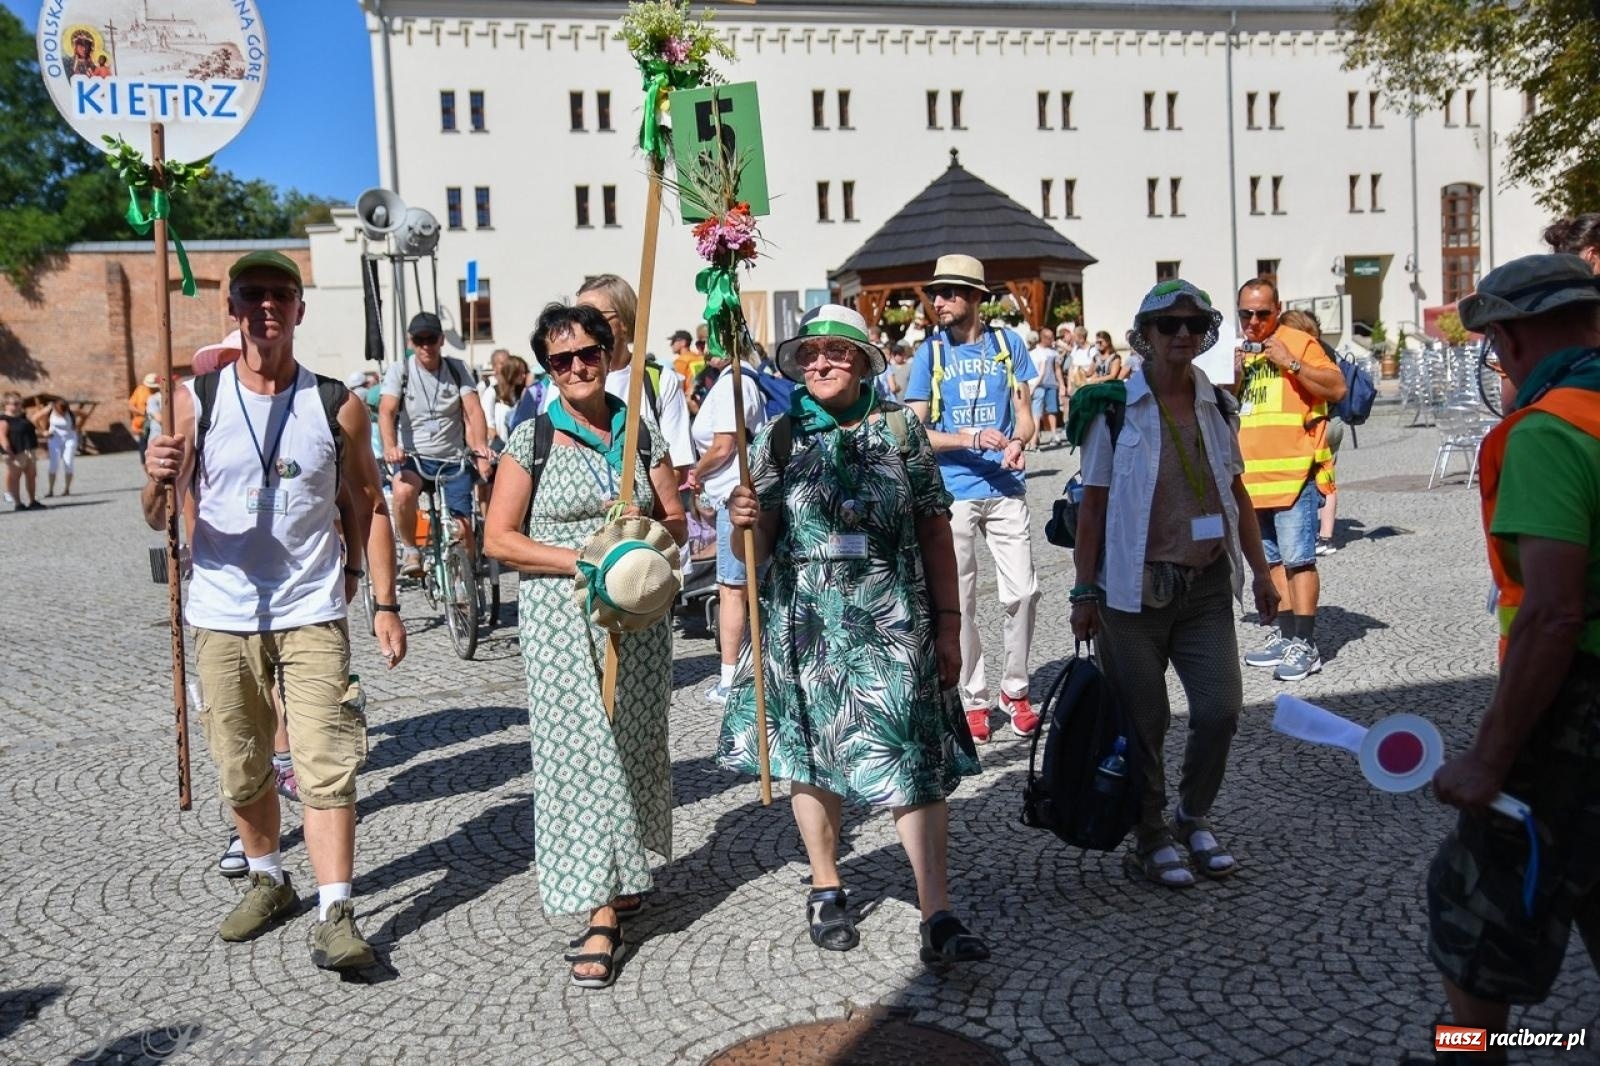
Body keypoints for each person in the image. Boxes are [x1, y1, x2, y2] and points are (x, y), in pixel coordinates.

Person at [141, 249, 407, 970]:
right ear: (232, 309)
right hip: (221, 612)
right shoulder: (196, 399)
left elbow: (370, 503)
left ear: (299, 309)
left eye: (279, 296)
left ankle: (336, 911)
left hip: (312, 607)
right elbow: (155, 515)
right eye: (252, 295)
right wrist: (159, 477)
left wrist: (380, 596)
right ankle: (268, 879)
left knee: (324, 763)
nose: (266, 308)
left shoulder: (336, 401)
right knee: (242, 765)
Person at [718, 304, 989, 966]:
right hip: (804, 626)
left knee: (911, 761)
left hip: (896, 622)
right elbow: (752, 553)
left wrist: (951, 625)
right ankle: (827, 884)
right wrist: (742, 518)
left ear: (865, 360)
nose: (820, 363)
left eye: (835, 352)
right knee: (811, 759)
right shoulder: (781, 438)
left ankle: (937, 912)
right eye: (809, 353)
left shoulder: (900, 429)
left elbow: (933, 528)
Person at [482, 302, 686, 989]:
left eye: (586, 355)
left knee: (629, 743)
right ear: (546, 369)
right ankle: (601, 912)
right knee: (583, 756)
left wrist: (640, 538)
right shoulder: (531, 439)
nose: (574, 368)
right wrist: (581, 555)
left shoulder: (640, 434)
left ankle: (626, 869)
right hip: (561, 620)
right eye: (558, 360)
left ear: (609, 354)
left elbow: (678, 520)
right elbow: (498, 539)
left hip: (637, 619)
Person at [1427, 254, 1600, 1053]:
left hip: (1577, 709)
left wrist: (1488, 760)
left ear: (1512, 339)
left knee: (1472, 905)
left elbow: (1554, 614)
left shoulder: (1549, 432)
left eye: (1494, 350)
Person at [1067, 280, 1279, 887]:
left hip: (1206, 585)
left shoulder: (1217, 403)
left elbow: (1234, 488)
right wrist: (1084, 593)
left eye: (1193, 323)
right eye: (1169, 325)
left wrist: (1261, 571)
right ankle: (1150, 833)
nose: (1182, 334)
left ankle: (1193, 814)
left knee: (1219, 708)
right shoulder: (1112, 408)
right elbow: (1093, 509)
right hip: (1131, 593)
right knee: (1145, 719)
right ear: (1147, 336)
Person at [904, 254, 1040, 742]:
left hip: (1004, 487)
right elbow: (914, 429)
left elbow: (1027, 416)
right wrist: (968, 438)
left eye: (950, 292)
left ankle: (1016, 689)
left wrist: (1019, 442)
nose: (938, 301)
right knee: (958, 600)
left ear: (977, 297)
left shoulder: (1008, 345)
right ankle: (973, 696)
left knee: (1023, 591)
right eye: (936, 293)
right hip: (953, 490)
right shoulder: (929, 355)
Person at [1233, 279, 1347, 682]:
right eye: (1246, 313)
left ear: (1277, 309)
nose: (1254, 321)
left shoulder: (1297, 341)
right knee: (1272, 561)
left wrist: (1291, 362)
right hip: (1252, 479)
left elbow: (1337, 387)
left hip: (1294, 473)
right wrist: (1231, 378)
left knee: (1300, 560)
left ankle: (1306, 642)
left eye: (1263, 313)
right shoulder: (1240, 352)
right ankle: (1284, 635)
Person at [379, 311, 493, 577]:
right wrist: (390, 446)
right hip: (414, 457)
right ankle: (410, 549)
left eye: (431, 339)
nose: (426, 346)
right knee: (402, 491)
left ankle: (465, 582)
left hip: (452, 458)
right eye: (420, 340)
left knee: (464, 527)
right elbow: (386, 410)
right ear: (411, 342)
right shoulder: (401, 370)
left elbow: (474, 411)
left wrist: (481, 449)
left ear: (442, 340)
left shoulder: (457, 368)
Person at [687, 339, 768, 704]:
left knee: (732, 588)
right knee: (742, 587)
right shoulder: (741, 380)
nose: (706, 349)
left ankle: (731, 679)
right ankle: (748, 672)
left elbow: (724, 445)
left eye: (715, 340)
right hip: (739, 492)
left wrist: (695, 473)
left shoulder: (734, 383)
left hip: (735, 496)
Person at [1279, 309, 1344, 556]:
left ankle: (1306, 534)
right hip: (1334, 421)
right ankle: (1326, 536)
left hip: (1317, 424)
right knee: (1327, 479)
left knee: (1306, 479)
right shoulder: (1323, 348)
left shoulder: (1297, 351)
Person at [1, 393, 45, 511]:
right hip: (15, 452)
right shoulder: (4, 420)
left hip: (29, 450)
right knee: (15, 477)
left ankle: (32, 501)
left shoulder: (22, 417)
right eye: (14, 404)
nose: (18, 406)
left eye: (19, 403)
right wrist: (8, 451)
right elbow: (2, 437)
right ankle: (18, 503)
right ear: (6, 405)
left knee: (32, 475)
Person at [1027, 326, 1067, 449]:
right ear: (1043, 338)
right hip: (1038, 384)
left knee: (1052, 410)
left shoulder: (1053, 352)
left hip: (1050, 384)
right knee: (1036, 412)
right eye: (1049, 338)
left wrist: (1061, 385)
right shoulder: (1036, 351)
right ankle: (1035, 437)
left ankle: (1054, 434)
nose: (1052, 340)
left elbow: (1057, 369)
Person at [41, 397, 80, 498]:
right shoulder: (49, 411)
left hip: (70, 439)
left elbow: (84, 415)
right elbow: (35, 418)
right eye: (60, 411)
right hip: (54, 439)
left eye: (64, 411)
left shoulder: (70, 412)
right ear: (55, 407)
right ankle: (50, 490)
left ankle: (67, 489)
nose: (62, 413)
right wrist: (43, 431)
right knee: (54, 463)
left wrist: (78, 427)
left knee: (68, 462)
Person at [129, 372, 157, 463]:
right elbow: (131, 406)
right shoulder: (140, 390)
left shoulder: (158, 392)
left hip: (155, 425)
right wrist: (143, 412)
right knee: (144, 449)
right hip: (141, 426)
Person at [669, 329, 697, 394]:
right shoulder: (698, 357)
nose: (671, 345)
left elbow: (676, 386)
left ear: (683, 343)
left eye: (673, 341)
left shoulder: (681, 361)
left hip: (688, 398)